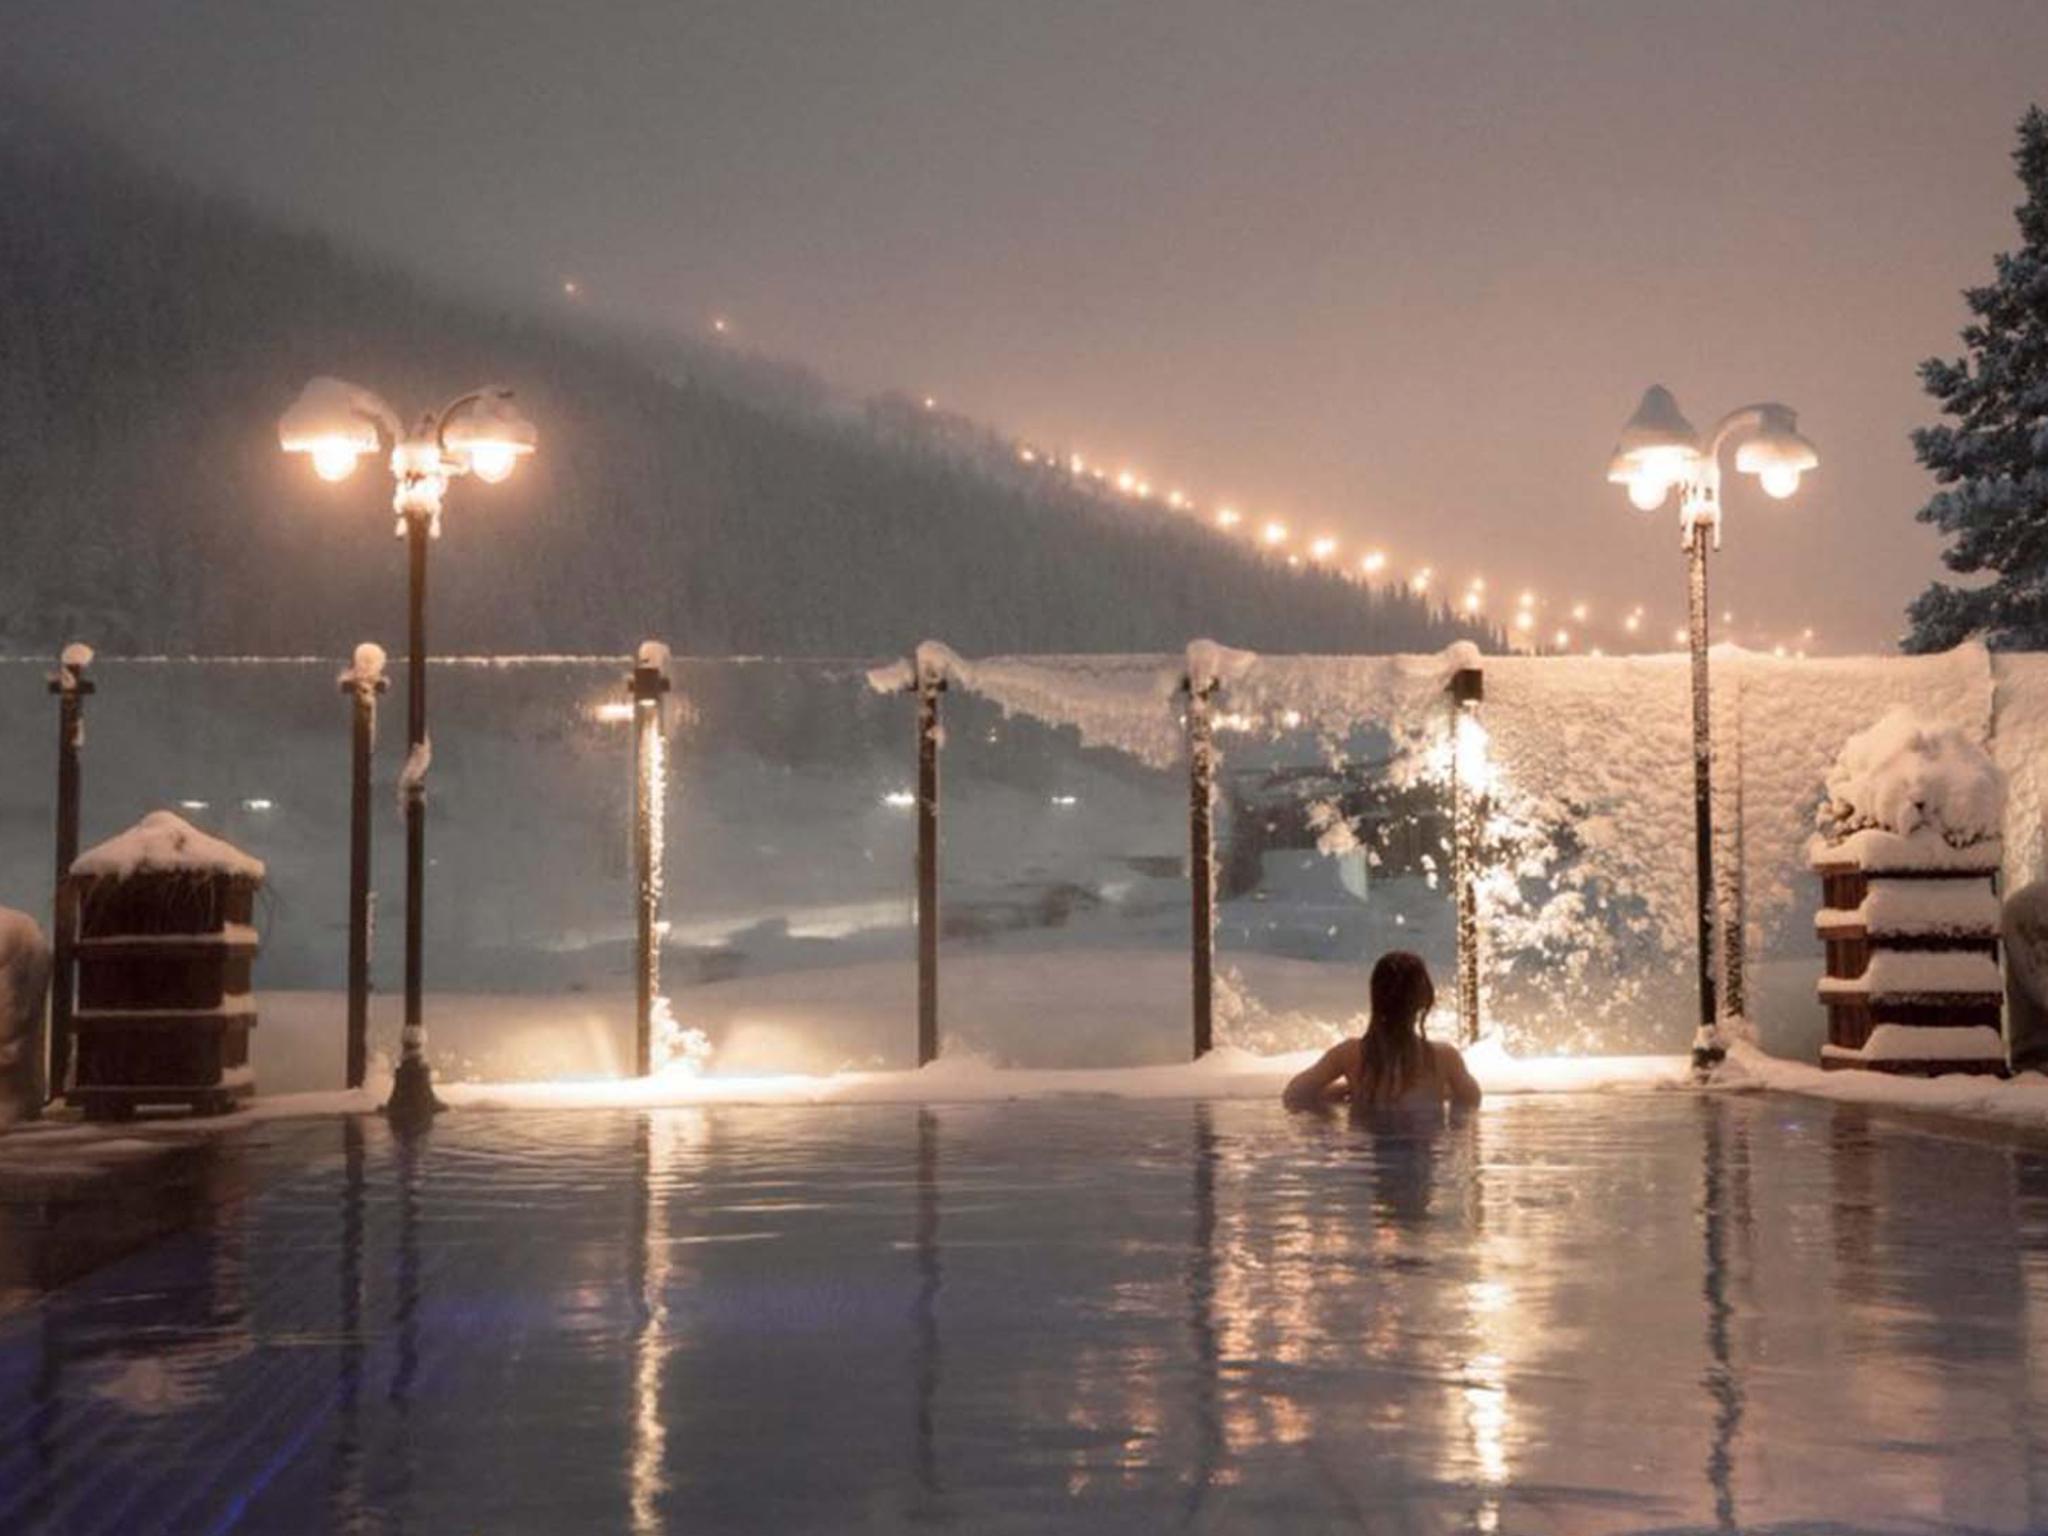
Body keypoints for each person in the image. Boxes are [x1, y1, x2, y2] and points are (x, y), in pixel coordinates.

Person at [1281, 951, 1482, 1112]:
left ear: (1375, 997)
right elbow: (1472, 1100)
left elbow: (1294, 1094)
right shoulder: (1444, 1058)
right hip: (1422, 1158)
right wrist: (1442, 1091)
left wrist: (1341, 1093)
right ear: (1424, 999)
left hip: (1367, 1157)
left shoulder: (1350, 1054)